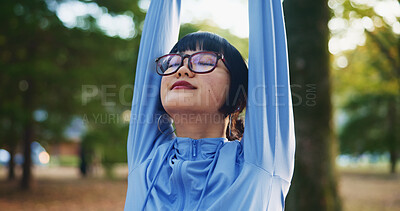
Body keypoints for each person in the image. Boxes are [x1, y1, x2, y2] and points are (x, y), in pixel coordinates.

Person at [124, 0, 295, 210]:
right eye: (174, 63)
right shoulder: (148, 160)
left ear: (238, 97)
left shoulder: (259, 166)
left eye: (205, 62)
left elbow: (270, 51)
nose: (182, 70)